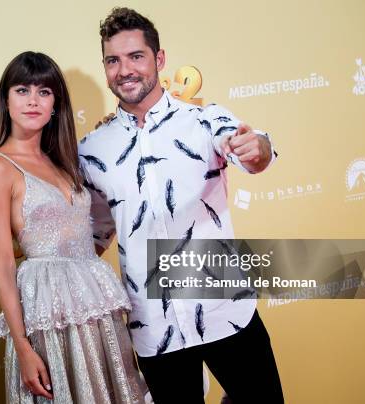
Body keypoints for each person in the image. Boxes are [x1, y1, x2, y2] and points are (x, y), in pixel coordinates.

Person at [78, 8, 284, 404]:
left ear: (159, 59)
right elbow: (95, 232)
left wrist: (258, 147)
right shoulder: (91, 151)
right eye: (112, 60)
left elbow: (251, 151)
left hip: (227, 311)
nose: (124, 70)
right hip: (154, 326)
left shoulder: (205, 121)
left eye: (136, 56)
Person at [0, 51, 147, 403]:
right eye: (22, 90)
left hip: (95, 307)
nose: (33, 101)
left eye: (44, 91)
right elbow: (4, 263)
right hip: (47, 317)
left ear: (56, 103)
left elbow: (90, 232)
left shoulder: (65, 161)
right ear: (6, 101)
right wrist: (22, 346)